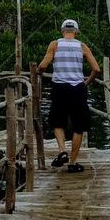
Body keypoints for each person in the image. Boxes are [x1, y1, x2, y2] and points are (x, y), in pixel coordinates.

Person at [35, 18, 99, 172]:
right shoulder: (82, 46)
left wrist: (38, 72)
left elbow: (43, 65)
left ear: (63, 31)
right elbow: (96, 69)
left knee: (57, 122)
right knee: (79, 126)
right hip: (78, 88)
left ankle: (62, 151)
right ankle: (72, 163)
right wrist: (86, 82)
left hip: (59, 87)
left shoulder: (55, 44)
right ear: (76, 32)